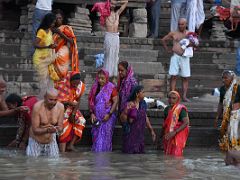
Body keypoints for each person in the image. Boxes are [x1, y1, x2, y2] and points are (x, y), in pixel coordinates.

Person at [26, 88, 64, 157]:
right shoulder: (37, 107)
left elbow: (61, 127)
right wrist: (48, 130)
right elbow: (35, 130)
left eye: (55, 100)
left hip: (51, 141)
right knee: (33, 164)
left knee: (55, 165)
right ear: (45, 98)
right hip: (36, 141)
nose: (53, 102)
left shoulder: (60, 107)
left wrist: (57, 129)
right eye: (51, 99)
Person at [161, 18, 192, 102]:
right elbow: (163, 40)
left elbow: (195, 44)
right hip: (175, 56)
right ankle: (172, 95)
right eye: (179, 24)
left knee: (185, 77)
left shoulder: (189, 34)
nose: (180, 26)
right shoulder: (173, 33)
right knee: (173, 76)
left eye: (182, 24)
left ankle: (184, 96)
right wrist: (167, 49)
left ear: (186, 24)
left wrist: (191, 45)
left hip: (185, 57)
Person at [55, 71, 86, 152]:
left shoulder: (80, 86)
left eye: (77, 83)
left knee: (81, 121)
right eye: (74, 84)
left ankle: (71, 145)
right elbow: (56, 102)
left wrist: (73, 114)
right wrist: (68, 102)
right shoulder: (62, 85)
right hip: (61, 108)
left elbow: (78, 100)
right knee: (64, 126)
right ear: (70, 81)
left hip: (72, 109)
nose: (76, 86)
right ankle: (62, 151)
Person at [88, 69, 118, 152]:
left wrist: (109, 114)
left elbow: (115, 101)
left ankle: (104, 158)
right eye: (99, 78)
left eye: (102, 78)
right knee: (96, 138)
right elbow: (91, 101)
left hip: (107, 118)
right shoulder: (95, 87)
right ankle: (97, 158)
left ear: (107, 78)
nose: (100, 80)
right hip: (97, 117)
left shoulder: (111, 87)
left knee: (105, 139)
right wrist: (92, 114)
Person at [120, 85, 156, 153]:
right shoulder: (129, 104)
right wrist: (126, 110)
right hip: (130, 133)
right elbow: (122, 119)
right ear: (137, 94)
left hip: (140, 134)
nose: (144, 94)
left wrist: (151, 130)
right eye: (143, 92)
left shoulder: (143, 104)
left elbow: (145, 117)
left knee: (139, 153)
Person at [49, 9, 79, 82]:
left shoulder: (66, 28)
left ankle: (62, 80)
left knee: (61, 55)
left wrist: (60, 33)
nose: (58, 20)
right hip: (52, 50)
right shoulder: (51, 29)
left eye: (60, 18)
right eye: (56, 18)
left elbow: (72, 42)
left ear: (62, 19)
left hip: (63, 50)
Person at [33, 13, 56, 99]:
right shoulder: (41, 31)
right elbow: (35, 44)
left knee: (48, 82)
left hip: (48, 59)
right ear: (47, 22)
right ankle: (40, 101)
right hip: (40, 59)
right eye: (52, 22)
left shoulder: (50, 31)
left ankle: (46, 100)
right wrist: (48, 46)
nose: (53, 24)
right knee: (42, 82)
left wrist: (53, 45)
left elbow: (49, 43)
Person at [215, 70, 240, 151]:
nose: (223, 80)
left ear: (232, 78)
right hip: (226, 115)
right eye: (222, 78)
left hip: (236, 114)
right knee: (228, 132)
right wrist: (218, 115)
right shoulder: (222, 89)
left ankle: (235, 150)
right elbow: (220, 103)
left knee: (234, 132)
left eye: (226, 78)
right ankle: (230, 150)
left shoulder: (238, 88)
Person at [102, 0, 128, 79]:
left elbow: (126, 2)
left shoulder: (117, 14)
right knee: (108, 55)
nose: (113, 5)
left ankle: (114, 75)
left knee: (115, 55)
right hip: (109, 36)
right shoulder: (105, 13)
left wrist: (117, 2)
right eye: (111, 3)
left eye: (114, 4)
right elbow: (101, 6)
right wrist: (109, 4)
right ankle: (107, 74)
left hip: (116, 36)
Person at [160, 91, 189, 156]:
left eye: (174, 98)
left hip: (178, 134)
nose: (171, 100)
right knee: (168, 153)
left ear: (178, 99)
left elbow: (186, 122)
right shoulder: (166, 109)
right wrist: (160, 137)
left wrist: (174, 132)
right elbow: (165, 124)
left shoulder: (181, 109)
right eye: (169, 98)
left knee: (176, 153)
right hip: (168, 134)